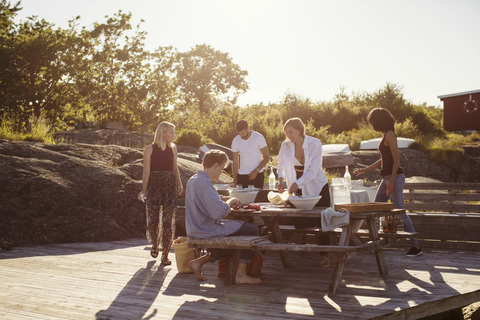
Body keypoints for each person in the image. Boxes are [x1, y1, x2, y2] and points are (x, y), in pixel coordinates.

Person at [353, 108, 422, 257]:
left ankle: (416, 246)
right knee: (376, 208)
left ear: (379, 120)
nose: (371, 124)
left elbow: (396, 159)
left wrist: (391, 182)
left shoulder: (390, 134)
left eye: (372, 121)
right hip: (387, 178)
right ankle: (376, 242)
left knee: (400, 211)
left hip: (394, 177)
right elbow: (383, 160)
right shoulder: (385, 135)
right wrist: (365, 170)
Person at [185, 149, 262, 284]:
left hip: (195, 228)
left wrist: (223, 197)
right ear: (215, 165)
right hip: (205, 229)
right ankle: (240, 274)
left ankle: (199, 262)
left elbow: (207, 199)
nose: (221, 172)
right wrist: (230, 201)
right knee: (252, 230)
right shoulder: (204, 183)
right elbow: (218, 212)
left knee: (238, 234)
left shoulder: (194, 179)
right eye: (221, 168)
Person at [138, 121, 183, 265]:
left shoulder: (173, 148)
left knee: (168, 222)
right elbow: (146, 171)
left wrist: (180, 184)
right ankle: (154, 244)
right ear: (163, 133)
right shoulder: (149, 149)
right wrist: (144, 191)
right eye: (171, 132)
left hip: (169, 186)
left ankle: (165, 254)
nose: (174, 135)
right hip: (154, 186)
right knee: (153, 220)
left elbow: (175, 169)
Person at [277, 117, 330, 229]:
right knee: (300, 223)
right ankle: (301, 246)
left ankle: (323, 245)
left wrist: (297, 184)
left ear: (299, 130)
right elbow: (280, 164)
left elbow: (312, 171)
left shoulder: (315, 144)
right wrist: (281, 180)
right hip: (297, 186)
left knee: (322, 223)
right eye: (286, 133)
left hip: (318, 186)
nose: (289, 135)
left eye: (291, 132)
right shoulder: (285, 145)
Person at [231, 120, 270, 189]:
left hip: (257, 175)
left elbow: (267, 157)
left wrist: (256, 171)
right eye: (239, 134)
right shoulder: (235, 140)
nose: (241, 136)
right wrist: (235, 179)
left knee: (256, 199)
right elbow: (235, 161)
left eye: (243, 133)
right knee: (241, 199)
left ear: (248, 129)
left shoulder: (258, 137)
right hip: (242, 176)